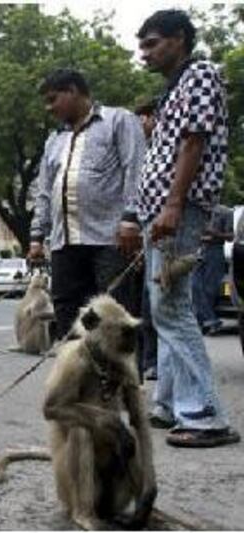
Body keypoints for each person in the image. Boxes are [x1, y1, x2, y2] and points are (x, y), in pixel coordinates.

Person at [136, 9, 239, 447]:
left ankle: (206, 414)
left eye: (152, 43)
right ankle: (168, 403)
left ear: (179, 38)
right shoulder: (172, 88)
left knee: (172, 308)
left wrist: (174, 203)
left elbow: (194, 142)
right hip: (159, 210)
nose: (145, 54)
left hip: (178, 209)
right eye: (142, 46)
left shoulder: (200, 76)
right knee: (164, 306)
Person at [28, 69, 147, 339]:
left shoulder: (119, 120)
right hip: (64, 243)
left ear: (73, 91)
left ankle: (120, 381)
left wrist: (131, 219)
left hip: (109, 240)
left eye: (52, 99)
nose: (49, 108)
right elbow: (44, 192)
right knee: (68, 316)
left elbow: (136, 171)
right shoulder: (55, 140)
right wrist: (37, 236)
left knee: (114, 318)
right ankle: (77, 379)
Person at [134, 100, 160, 380]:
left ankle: (156, 363)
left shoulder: (164, 150)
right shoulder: (144, 152)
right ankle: (145, 362)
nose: (139, 125)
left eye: (142, 118)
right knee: (144, 307)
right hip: (143, 239)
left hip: (160, 235)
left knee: (160, 309)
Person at [191, 204, 234, 335]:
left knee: (210, 289)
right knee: (194, 285)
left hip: (215, 251)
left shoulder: (225, 212)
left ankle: (203, 323)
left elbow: (231, 236)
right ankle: (212, 320)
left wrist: (216, 234)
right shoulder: (195, 210)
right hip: (197, 249)